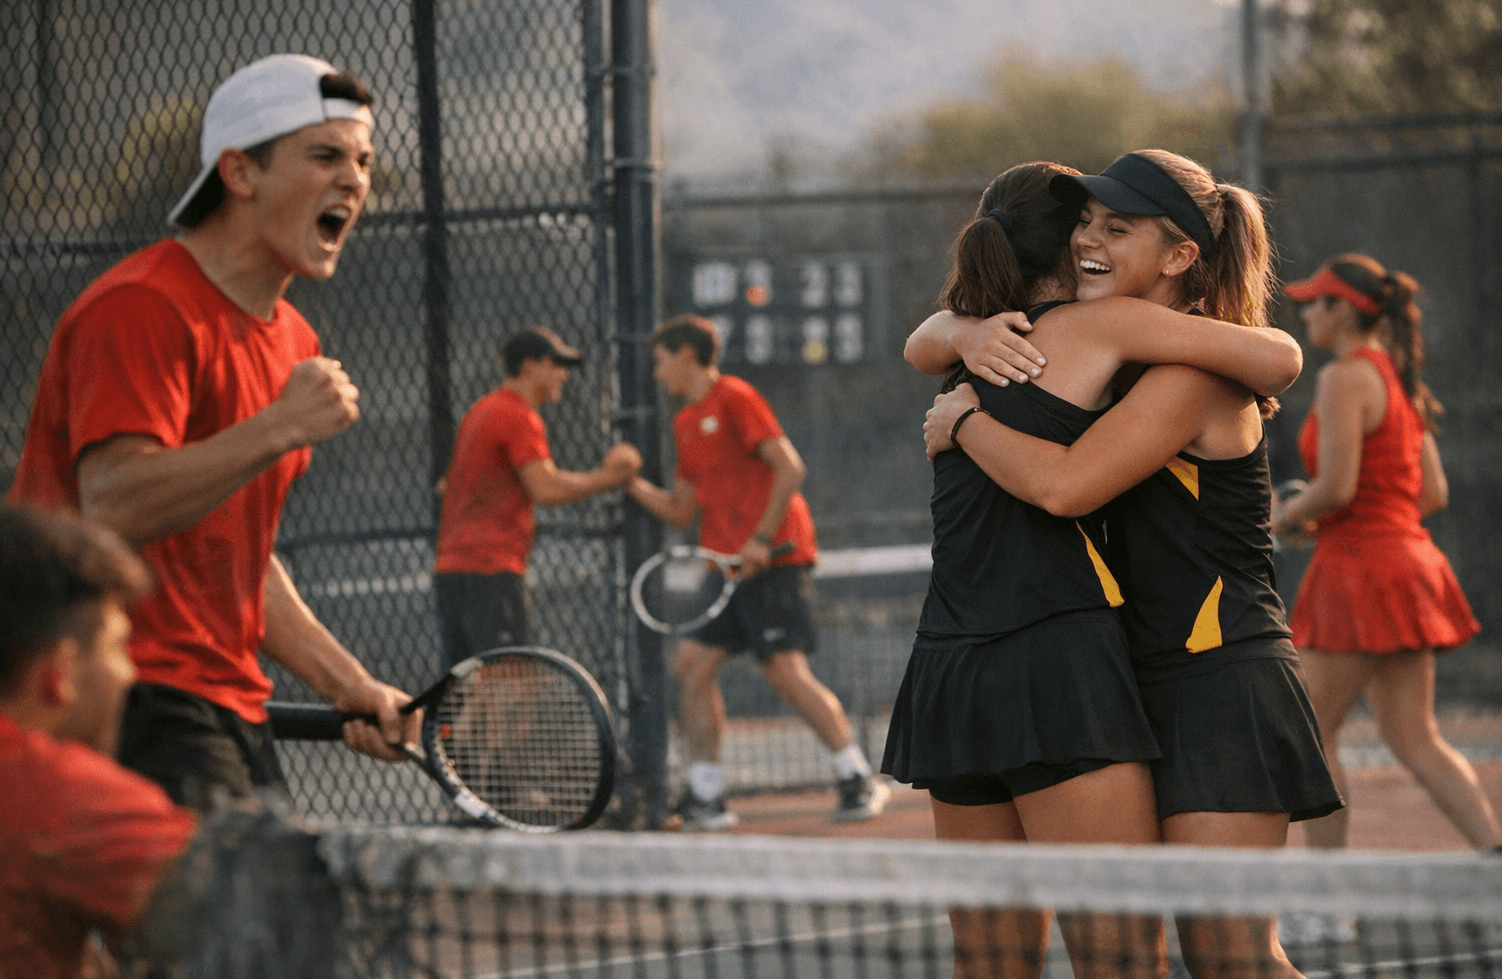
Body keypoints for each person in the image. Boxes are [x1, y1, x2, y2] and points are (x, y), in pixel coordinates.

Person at [910, 151, 1340, 979]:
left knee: (1232, 961)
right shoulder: (1111, 358)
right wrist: (959, 331)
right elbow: (930, 339)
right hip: (1130, 674)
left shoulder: (1189, 374)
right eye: (1082, 222)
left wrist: (962, 422)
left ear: (1181, 257)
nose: (1087, 241)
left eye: (1116, 227)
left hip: (1216, 679)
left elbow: (1068, 488)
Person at [6, 54, 418, 809]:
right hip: (110, 686)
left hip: (217, 701)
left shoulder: (293, 340)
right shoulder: (140, 307)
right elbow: (115, 505)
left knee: (267, 919)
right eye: (324, 156)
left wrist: (349, 684)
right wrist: (278, 426)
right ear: (239, 172)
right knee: (247, 925)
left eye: (361, 159)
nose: (354, 180)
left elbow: (240, 558)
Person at [625, 315, 889, 829]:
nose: (658, 375)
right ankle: (706, 797)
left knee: (784, 672)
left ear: (684, 355)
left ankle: (857, 777)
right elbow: (682, 510)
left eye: (661, 362)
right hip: (726, 571)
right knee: (692, 668)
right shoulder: (684, 423)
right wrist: (628, 482)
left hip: (776, 559)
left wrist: (762, 539)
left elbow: (789, 466)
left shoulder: (736, 397)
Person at [1275, 254, 1499, 852]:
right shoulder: (1400, 379)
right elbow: (1432, 493)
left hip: (1361, 574)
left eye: (1314, 302)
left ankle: (1328, 907)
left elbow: (1338, 487)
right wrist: (1333, 521)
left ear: (1343, 310)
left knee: (1310, 732)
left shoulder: (1343, 376)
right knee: (1416, 739)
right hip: (1408, 564)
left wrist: (1286, 515)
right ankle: (1494, 862)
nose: (1305, 313)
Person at [0, 504, 196, 979]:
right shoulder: (51, 795)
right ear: (61, 671)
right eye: (117, 646)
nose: (129, 674)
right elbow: (269, 920)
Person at [433, 325, 642, 666]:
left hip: (455, 566)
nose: (563, 375)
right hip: (489, 567)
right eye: (555, 364)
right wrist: (610, 477)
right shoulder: (518, 414)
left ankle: (453, 723)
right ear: (530, 366)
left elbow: (448, 484)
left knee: (467, 681)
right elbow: (545, 488)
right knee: (513, 680)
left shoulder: (481, 410)